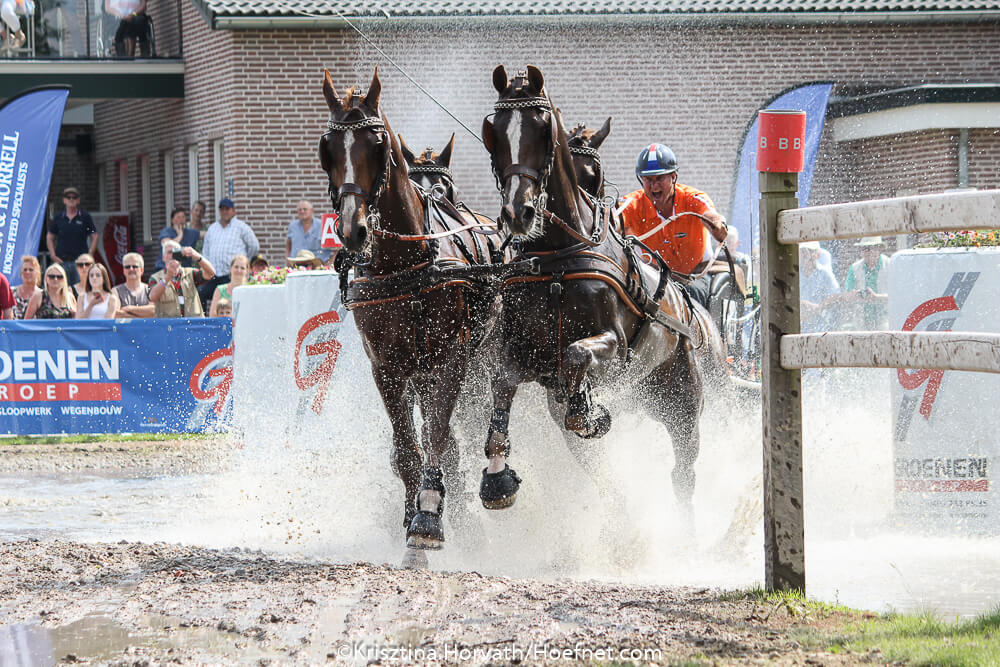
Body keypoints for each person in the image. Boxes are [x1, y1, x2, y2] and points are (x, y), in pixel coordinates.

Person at [618, 144, 728, 309]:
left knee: (690, 294)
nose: (654, 186)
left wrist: (717, 225)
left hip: (692, 276)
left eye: (659, 179)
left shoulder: (693, 199)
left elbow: (710, 216)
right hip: (653, 278)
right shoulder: (631, 204)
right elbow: (611, 219)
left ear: (673, 176)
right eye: (648, 179)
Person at [199, 198, 260, 309]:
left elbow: (254, 246)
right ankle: (203, 322)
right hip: (214, 274)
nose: (224, 212)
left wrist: (244, 261)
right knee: (201, 293)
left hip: (231, 274)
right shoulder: (212, 228)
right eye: (222, 209)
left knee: (230, 301)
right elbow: (206, 251)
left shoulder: (241, 227)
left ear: (233, 211)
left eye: (227, 209)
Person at [149, 240, 215, 317]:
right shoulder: (156, 277)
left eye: (176, 252)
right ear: (163, 258)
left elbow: (211, 273)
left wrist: (196, 256)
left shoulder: (191, 273)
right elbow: (152, 297)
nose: (173, 255)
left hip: (192, 325)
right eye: (170, 252)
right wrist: (167, 277)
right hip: (169, 327)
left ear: (181, 256)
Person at [47, 187, 97, 285]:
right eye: (68, 197)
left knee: (81, 288)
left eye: (74, 197)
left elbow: (94, 236)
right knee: (62, 288)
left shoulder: (84, 217)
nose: (71, 199)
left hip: (80, 263)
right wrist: (53, 255)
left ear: (78, 200)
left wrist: (90, 254)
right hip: (62, 260)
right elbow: (50, 237)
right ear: (64, 200)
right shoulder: (59, 217)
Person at [842, 236, 890, 330]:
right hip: (861, 320)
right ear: (861, 251)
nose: (869, 252)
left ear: (879, 249)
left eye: (872, 248)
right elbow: (846, 295)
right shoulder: (854, 268)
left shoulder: (890, 265)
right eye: (865, 249)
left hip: (887, 319)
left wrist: (877, 297)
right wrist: (853, 295)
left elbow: (898, 296)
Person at [799, 241, 840, 333]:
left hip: (820, 327)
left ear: (817, 254)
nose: (805, 254)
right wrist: (800, 304)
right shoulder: (795, 274)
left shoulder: (825, 273)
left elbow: (836, 295)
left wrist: (818, 307)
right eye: (802, 251)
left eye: (809, 251)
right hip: (799, 325)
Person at [285, 200, 331, 265]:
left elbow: (330, 246)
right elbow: (288, 244)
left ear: (312, 210)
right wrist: (288, 260)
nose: (302, 211)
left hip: (316, 265)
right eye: (299, 210)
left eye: (305, 209)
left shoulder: (322, 225)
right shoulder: (292, 226)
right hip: (296, 265)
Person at [114, 252, 154, 318]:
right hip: (124, 328)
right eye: (127, 267)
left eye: (135, 266)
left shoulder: (151, 289)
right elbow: (116, 314)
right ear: (123, 270)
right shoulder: (116, 291)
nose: (131, 269)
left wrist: (129, 308)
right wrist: (143, 315)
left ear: (142, 270)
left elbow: (154, 311)